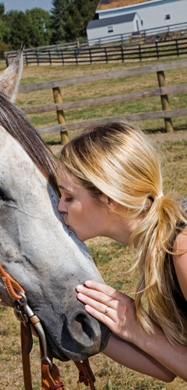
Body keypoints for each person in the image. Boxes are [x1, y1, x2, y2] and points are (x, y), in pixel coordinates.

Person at [57, 120, 187, 382]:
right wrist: (67, 321)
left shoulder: (182, 250)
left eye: (68, 197)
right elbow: (168, 366)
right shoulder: (161, 244)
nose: (60, 207)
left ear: (109, 199)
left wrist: (140, 331)